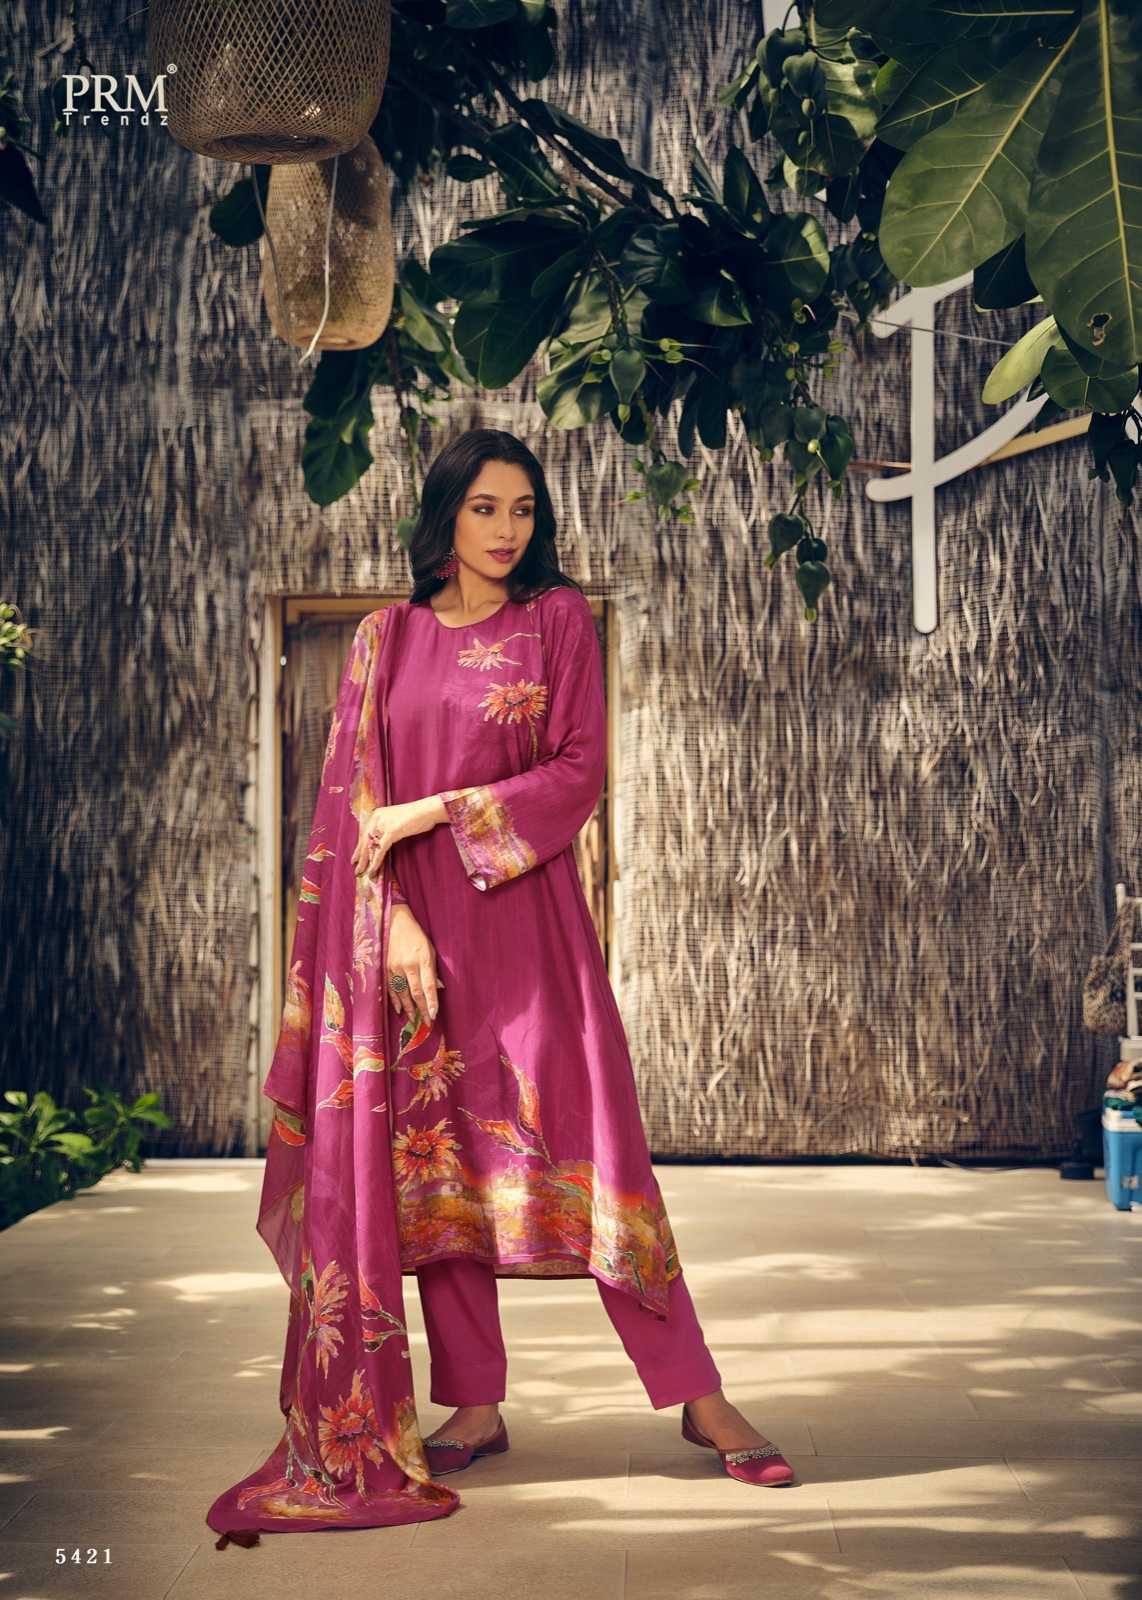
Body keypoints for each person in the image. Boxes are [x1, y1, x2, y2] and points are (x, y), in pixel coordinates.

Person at [206, 428, 792, 1549]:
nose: (507, 529)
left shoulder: (554, 620)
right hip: (411, 942)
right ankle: (474, 1401)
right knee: (437, 1169)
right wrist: (396, 928)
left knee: (599, 1152)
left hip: (530, 929)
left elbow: (577, 772)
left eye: (523, 509)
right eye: (484, 507)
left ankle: (696, 1393)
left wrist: (437, 812)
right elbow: (352, 809)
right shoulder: (385, 639)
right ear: (445, 513)